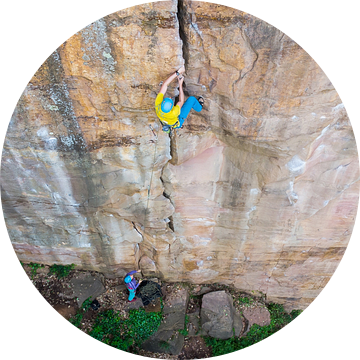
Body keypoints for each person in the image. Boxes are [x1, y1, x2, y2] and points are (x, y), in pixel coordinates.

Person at [155, 65, 204, 133]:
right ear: (172, 108)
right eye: (171, 100)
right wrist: (180, 84)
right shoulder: (174, 112)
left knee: (174, 121)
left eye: (168, 98)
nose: (170, 97)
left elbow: (165, 84)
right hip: (178, 121)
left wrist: (177, 73)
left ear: (162, 103)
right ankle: (199, 107)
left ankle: (175, 126)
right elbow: (181, 101)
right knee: (192, 99)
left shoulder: (158, 105)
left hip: (168, 122)